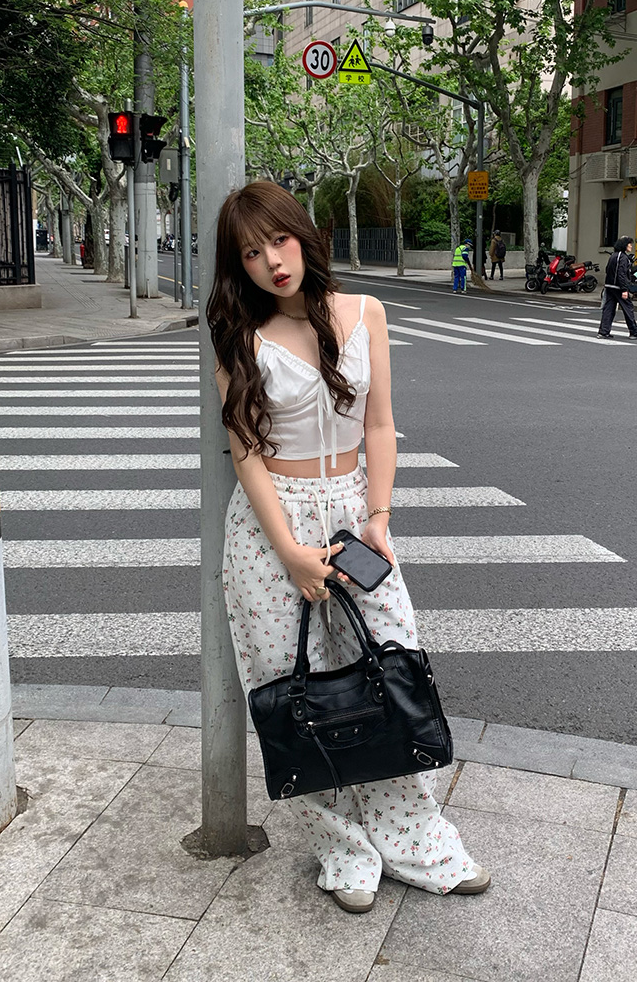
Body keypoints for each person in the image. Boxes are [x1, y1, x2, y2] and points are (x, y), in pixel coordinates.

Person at [209, 181, 490, 915]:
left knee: (392, 667)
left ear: (303, 236)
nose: (272, 261)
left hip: (354, 516)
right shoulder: (239, 334)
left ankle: (414, 838)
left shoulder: (366, 313)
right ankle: (342, 846)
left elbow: (379, 424)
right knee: (293, 688)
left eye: (280, 240)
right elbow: (246, 452)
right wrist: (290, 551)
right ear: (239, 265)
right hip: (272, 528)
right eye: (252, 252)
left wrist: (379, 518)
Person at [597, 236, 637, 340]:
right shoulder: (623, 257)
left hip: (610, 286)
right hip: (618, 287)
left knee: (609, 309)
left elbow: (607, 269)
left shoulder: (614, 255)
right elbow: (621, 274)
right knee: (628, 308)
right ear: (624, 245)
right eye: (629, 244)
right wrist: (624, 289)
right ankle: (634, 332)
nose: (631, 246)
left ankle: (603, 332)